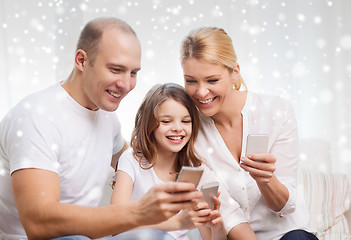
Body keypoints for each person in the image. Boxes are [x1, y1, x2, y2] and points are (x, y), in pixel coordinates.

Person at [0, 17, 202, 240]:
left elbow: (133, 158)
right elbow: (38, 224)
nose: (126, 85)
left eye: (133, 73)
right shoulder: (35, 118)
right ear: (81, 60)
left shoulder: (106, 117)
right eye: (116, 69)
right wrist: (140, 212)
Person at [179, 27, 319, 240]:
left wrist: (265, 180)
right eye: (191, 81)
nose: (201, 92)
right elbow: (225, 211)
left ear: (235, 72)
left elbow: (284, 207)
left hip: (287, 234)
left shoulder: (276, 112)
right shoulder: (189, 131)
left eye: (212, 80)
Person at [110, 83, 229, 240]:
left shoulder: (196, 169)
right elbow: (115, 224)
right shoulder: (132, 160)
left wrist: (217, 228)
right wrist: (175, 223)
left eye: (186, 121)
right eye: (166, 121)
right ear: (149, 124)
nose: (177, 128)